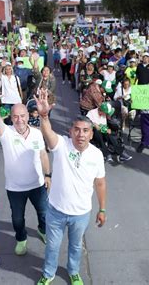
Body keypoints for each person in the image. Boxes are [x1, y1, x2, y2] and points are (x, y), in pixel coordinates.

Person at [35, 89, 106, 285]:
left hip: (81, 213)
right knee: (52, 247)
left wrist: (102, 208)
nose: (80, 134)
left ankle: (74, 272)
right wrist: (43, 115)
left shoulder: (96, 155)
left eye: (85, 131)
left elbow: (100, 182)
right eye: (76, 129)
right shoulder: (62, 145)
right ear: (70, 131)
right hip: (56, 210)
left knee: (75, 247)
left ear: (91, 134)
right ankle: (48, 274)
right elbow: (48, 132)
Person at [0, 82, 51, 255]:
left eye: (22, 115)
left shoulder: (37, 133)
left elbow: (43, 155)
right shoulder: (6, 133)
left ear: (27, 115)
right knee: (17, 219)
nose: (19, 119)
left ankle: (42, 230)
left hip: (37, 185)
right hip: (15, 188)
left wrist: (48, 175)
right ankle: (21, 239)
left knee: (44, 213)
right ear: (11, 117)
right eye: (15, 116)